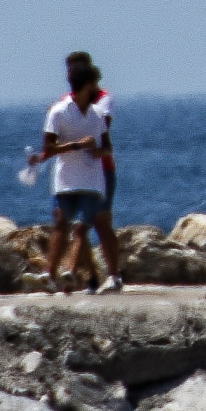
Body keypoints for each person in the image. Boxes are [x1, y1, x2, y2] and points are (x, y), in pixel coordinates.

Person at [32, 52, 124, 291]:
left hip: (99, 171)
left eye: (71, 70)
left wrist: (89, 148)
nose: (67, 75)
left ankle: (107, 274)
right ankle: (87, 276)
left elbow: (102, 132)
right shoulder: (64, 105)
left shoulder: (102, 101)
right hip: (70, 175)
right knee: (71, 224)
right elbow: (54, 139)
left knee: (98, 222)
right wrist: (43, 156)